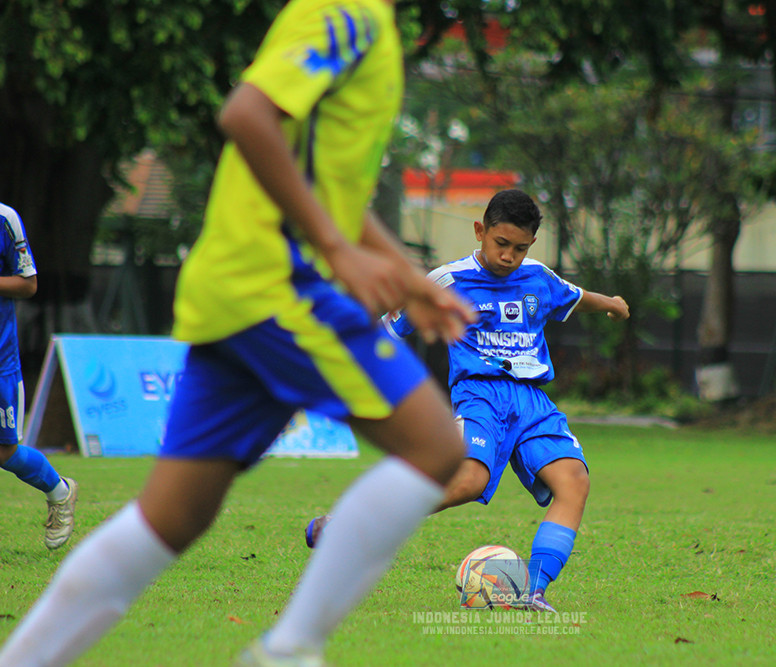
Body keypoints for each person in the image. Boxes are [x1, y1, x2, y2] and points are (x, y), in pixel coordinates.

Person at [0, 0, 474, 665]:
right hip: (279, 287)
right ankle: (289, 649)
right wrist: (336, 250)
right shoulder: (349, 12)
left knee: (170, 518)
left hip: (241, 292)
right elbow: (246, 115)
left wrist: (403, 273)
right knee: (436, 446)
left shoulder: (375, 28)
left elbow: (326, 187)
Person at [305, 189, 630, 613]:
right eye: (501, 243)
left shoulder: (538, 277)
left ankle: (533, 590)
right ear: (480, 231)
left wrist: (612, 304)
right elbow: (391, 327)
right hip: (480, 395)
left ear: (531, 244)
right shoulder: (449, 280)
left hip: (532, 400)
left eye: (520, 248)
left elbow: (575, 296)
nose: (509, 256)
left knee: (574, 481)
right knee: (468, 480)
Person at [0, 202, 78, 551]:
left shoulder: (5, 219)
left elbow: (28, 284)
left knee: (5, 453)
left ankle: (60, 491)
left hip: (0, 359)